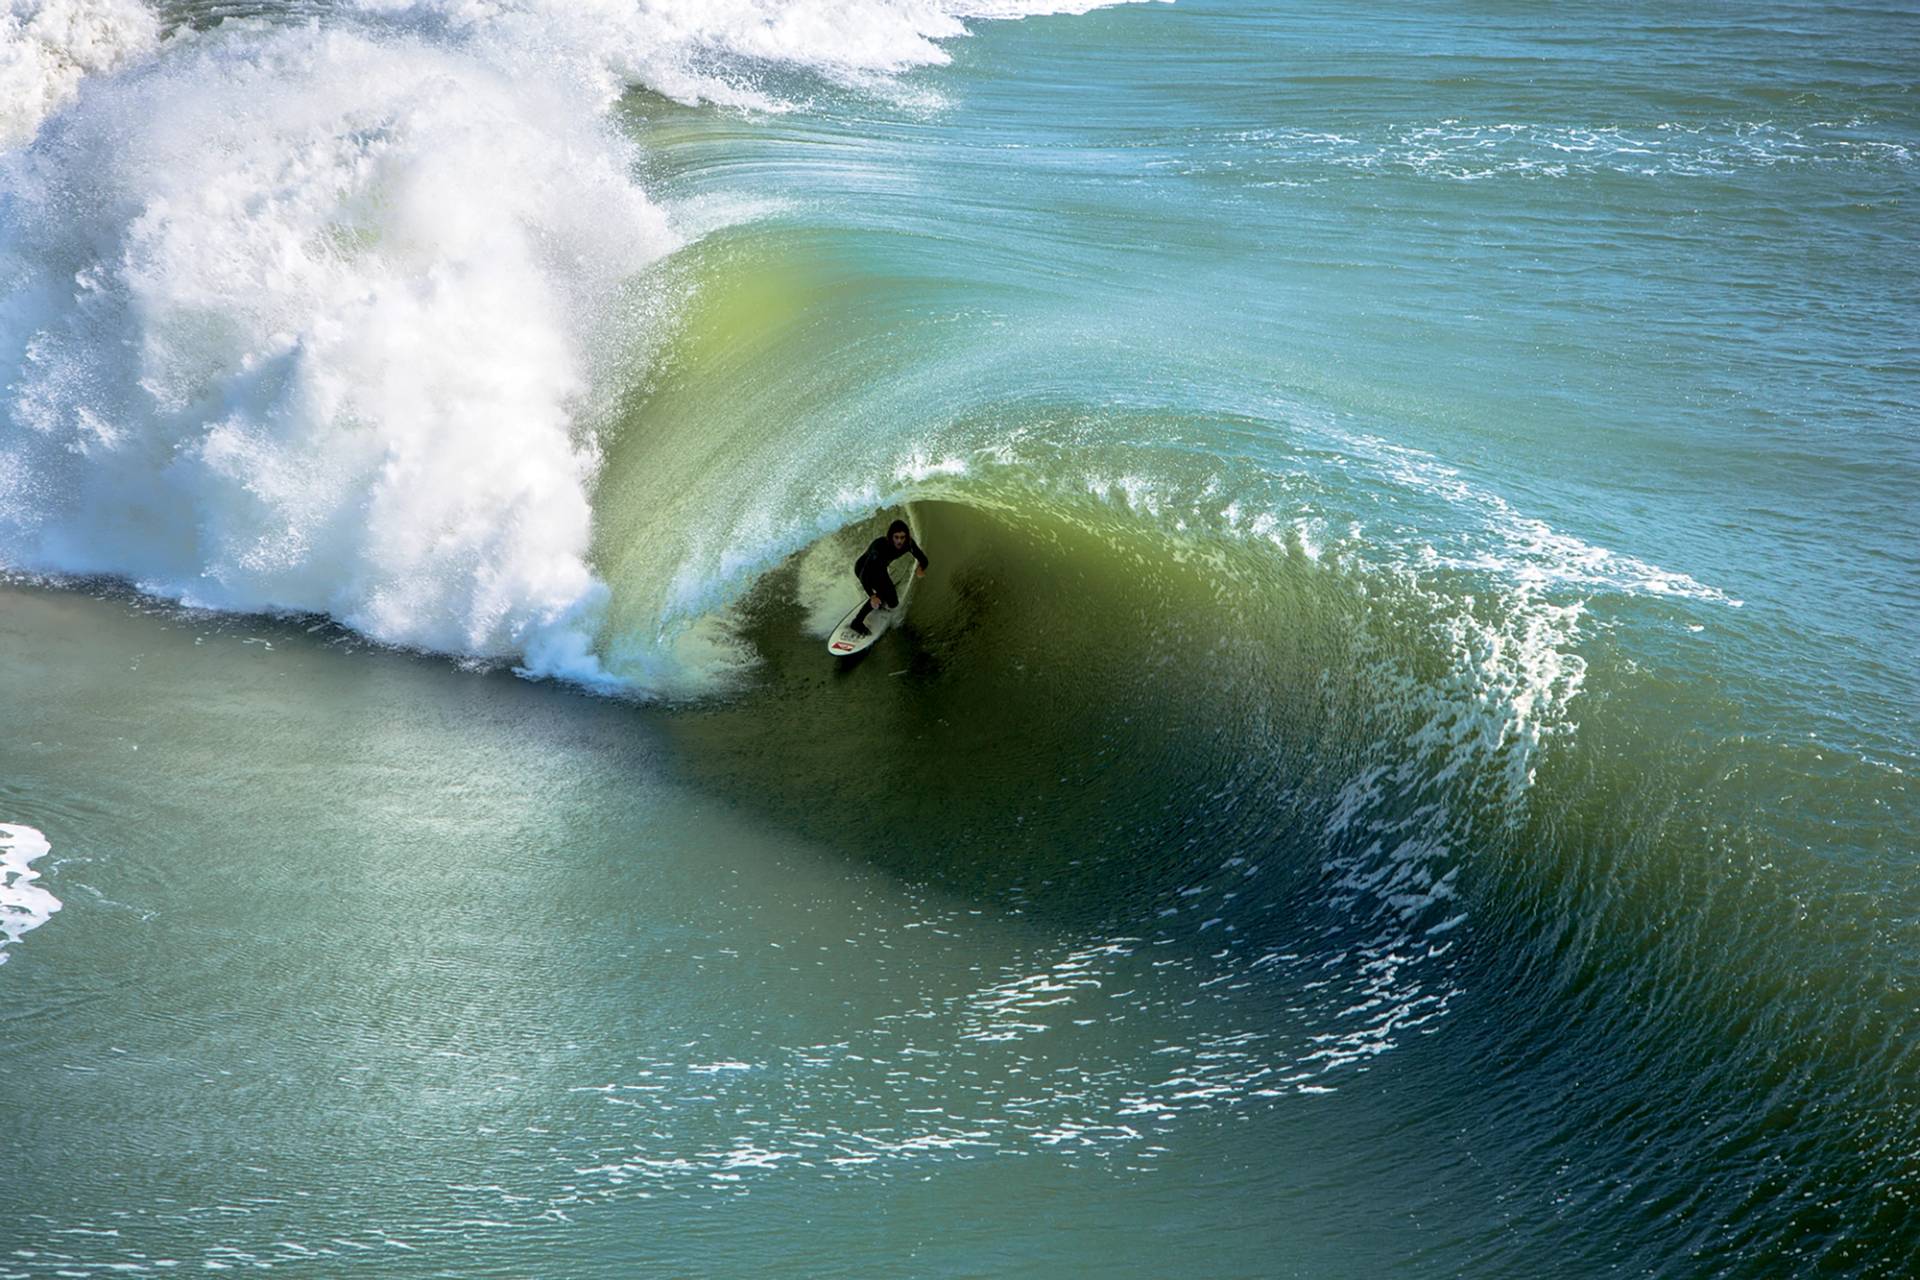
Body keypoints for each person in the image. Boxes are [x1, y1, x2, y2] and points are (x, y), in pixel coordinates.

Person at [850, 518, 928, 635]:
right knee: (881, 593)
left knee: (893, 603)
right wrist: (872, 596)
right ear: (891, 536)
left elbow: (923, 559)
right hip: (864, 569)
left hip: (880, 568)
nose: (899, 541)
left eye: (902, 537)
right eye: (896, 537)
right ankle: (856, 622)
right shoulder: (879, 547)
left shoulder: (908, 544)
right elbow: (864, 575)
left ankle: (881, 599)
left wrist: (921, 568)